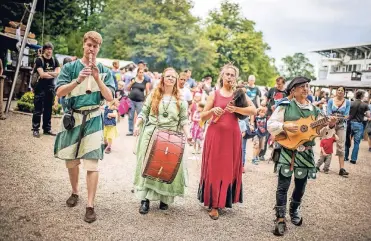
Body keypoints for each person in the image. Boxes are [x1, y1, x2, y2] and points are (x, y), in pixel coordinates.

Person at [54, 31, 116, 223]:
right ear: (84, 45)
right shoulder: (70, 67)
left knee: (92, 163)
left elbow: (110, 97)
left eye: (95, 46)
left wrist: (97, 78)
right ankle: (75, 192)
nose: (91, 49)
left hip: (94, 118)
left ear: (99, 48)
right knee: (71, 161)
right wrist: (78, 80)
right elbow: (59, 92)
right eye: (89, 45)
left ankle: (90, 205)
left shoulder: (106, 71)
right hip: (73, 117)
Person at [267, 76, 337, 236]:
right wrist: (284, 125)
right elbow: (270, 124)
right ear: (293, 90)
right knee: (283, 186)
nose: (306, 89)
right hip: (286, 150)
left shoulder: (315, 110)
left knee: (300, 186)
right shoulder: (285, 105)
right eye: (302, 86)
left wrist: (331, 125)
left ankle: (294, 209)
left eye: (307, 86)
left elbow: (323, 133)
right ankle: (279, 218)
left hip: (305, 153)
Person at [198, 63, 256, 220]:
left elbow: (253, 110)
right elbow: (202, 116)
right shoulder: (214, 94)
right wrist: (211, 111)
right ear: (222, 76)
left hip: (232, 137)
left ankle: (224, 199)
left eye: (232, 75)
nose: (229, 77)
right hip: (215, 135)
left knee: (226, 168)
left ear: (236, 78)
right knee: (214, 167)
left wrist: (236, 109)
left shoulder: (239, 94)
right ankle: (214, 204)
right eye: (227, 74)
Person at [133, 68, 192, 214]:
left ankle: (163, 198)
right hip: (152, 133)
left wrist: (188, 134)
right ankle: (144, 200)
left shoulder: (180, 98)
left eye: (173, 76)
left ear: (177, 79)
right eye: (168, 76)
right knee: (147, 166)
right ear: (163, 78)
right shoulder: (154, 94)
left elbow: (184, 119)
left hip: (172, 136)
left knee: (166, 167)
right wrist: (137, 124)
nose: (171, 78)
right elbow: (144, 111)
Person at [31, 42, 61, 137]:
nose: (49, 51)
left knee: (48, 110)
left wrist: (48, 74)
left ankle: (47, 129)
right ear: (44, 50)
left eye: (51, 49)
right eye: (48, 49)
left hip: (50, 88)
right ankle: (35, 129)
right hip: (40, 88)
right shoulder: (39, 60)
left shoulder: (54, 60)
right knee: (37, 109)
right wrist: (52, 73)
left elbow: (58, 73)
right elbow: (42, 74)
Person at [260, 76, 287, 160]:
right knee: (266, 135)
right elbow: (266, 96)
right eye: (277, 84)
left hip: (280, 118)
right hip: (270, 115)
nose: (277, 86)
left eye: (279, 84)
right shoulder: (272, 90)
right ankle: (261, 154)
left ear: (283, 83)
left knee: (278, 136)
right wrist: (264, 101)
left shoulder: (286, 92)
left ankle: (274, 156)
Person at [326, 86, 350, 176]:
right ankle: (323, 165)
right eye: (338, 90)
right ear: (336, 92)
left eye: (342, 90)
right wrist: (333, 118)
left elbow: (347, 115)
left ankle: (342, 169)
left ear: (344, 92)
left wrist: (342, 117)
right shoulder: (331, 100)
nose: (340, 92)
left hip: (341, 125)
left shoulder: (347, 102)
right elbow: (328, 113)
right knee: (327, 143)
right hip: (332, 124)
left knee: (341, 146)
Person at [345, 90, 371, 164]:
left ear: (355, 95)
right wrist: (363, 114)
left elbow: (347, 113)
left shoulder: (350, 103)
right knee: (356, 143)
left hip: (349, 124)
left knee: (347, 140)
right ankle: (353, 159)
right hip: (358, 124)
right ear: (362, 96)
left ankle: (345, 157)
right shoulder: (365, 105)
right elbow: (368, 115)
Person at [126, 68, 151, 136]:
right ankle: (131, 131)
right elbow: (127, 88)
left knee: (140, 116)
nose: (141, 73)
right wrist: (131, 83)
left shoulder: (145, 81)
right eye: (140, 72)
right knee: (131, 116)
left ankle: (139, 130)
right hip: (131, 100)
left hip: (140, 101)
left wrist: (146, 100)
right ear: (137, 73)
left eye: (142, 72)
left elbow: (148, 91)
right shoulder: (133, 80)